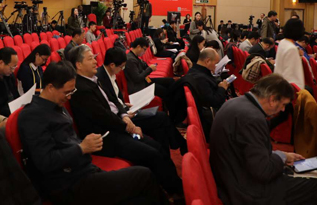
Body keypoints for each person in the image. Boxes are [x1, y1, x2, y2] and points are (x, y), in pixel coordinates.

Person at [67, 45, 184, 200]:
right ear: (78, 65)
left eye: (94, 57)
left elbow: (112, 101)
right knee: (152, 153)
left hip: (115, 128)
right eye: (90, 59)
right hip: (105, 138)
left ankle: (174, 187)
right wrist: (129, 127)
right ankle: (174, 191)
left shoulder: (92, 80)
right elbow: (103, 116)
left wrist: (125, 117)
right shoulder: (81, 88)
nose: (95, 61)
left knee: (156, 145)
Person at [210, 74, 317, 205]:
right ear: (272, 99)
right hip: (245, 191)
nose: (283, 109)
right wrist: (282, 157)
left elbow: (249, 151)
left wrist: (282, 156)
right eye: (283, 104)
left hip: (232, 176)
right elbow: (263, 171)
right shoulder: (253, 118)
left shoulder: (236, 103)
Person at [97, 47, 187, 153]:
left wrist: (123, 104)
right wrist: (124, 113)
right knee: (162, 118)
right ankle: (180, 145)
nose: (122, 70)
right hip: (122, 118)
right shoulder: (100, 79)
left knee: (160, 129)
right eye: (121, 67)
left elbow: (114, 98)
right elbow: (107, 106)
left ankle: (169, 151)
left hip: (125, 110)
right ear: (112, 65)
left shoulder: (110, 73)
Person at [181, 48, 228, 141]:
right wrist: (222, 88)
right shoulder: (200, 78)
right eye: (215, 63)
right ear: (207, 61)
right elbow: (214, 101)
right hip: (211, 118)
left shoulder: (196, 71)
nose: (216, 66)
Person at [275, 18, 306, 89]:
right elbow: (290, 76)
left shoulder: (283, 42)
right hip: (288, 89)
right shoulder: (292, 49)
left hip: (279, 82)